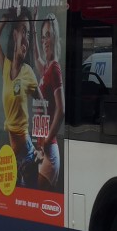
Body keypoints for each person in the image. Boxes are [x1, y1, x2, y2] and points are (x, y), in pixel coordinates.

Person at [0, 7, 40, 186]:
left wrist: (41, 144)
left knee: (28, 196)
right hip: (14, 153)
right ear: (14, 35)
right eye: (23, 32)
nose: (26, 40)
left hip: (27, 155)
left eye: (28, 35)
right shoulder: (6, 67)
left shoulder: (28, 73)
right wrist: (6, 18)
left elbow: (44, 104)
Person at [35, 15, 65, 190]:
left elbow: (61, 109)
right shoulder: (46, 68)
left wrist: (47, 140)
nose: (45, 40)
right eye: (43, 36)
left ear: (55, 36)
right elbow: (36, 54)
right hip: (44, 150)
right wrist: (33, 22)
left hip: (50, 151)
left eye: (48, 35)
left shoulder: (54, 69)